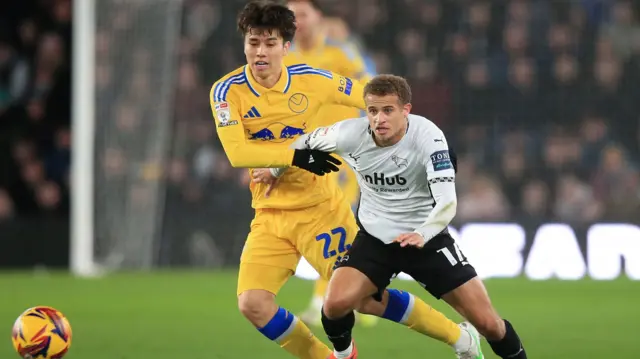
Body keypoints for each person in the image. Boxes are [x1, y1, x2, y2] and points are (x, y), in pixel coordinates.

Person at [211, 2, 482, 358]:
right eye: (253, 42)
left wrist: (418, 135)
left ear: (285, 47)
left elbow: (370, 96)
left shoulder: (314, 79)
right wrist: (298, 156)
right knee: (253, 304)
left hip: (320, 211)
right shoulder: (227, 91)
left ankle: (461, 338)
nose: (260, 51)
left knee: (368, 299)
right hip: (269, 217)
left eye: (269, 43)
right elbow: (238, 153)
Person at [284, 74, 528, 359]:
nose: (379, 119)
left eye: (388, 110)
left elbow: (448, 202)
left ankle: (476, 341)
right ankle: (344, 356)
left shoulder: (430, 138)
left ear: (406, 110)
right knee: (334, 305)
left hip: (427, 240)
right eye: (373, 111)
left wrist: (422, 233)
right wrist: (273, 169)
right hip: (376, 240)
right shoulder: (349, 134)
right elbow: (298, 145)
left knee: (490, 325)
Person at [284, 0, 376, 327]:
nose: (298, 21)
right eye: (291, 16)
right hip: (307, 155)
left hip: (345, 151)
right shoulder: (287, 59)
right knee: (337, 229)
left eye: (303, 14)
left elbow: (372, 85)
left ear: (318, 18)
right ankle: (367, 293)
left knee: (336, 224)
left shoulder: (340, 51)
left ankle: (325, 300)